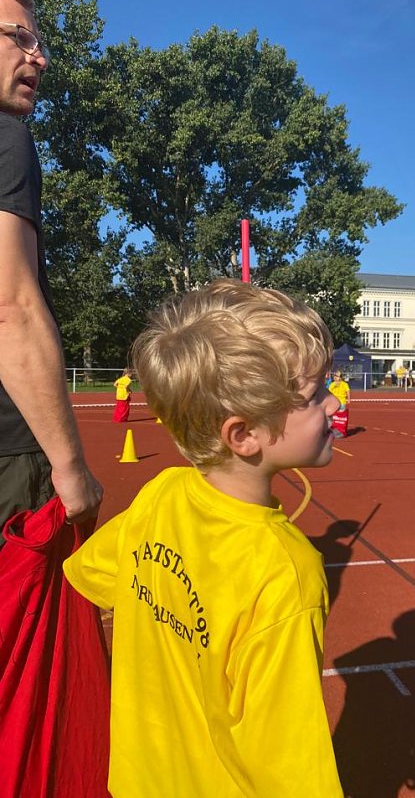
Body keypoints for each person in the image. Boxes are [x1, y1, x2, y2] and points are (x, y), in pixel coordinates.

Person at [63, 279, 344, 798]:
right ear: (243, 435)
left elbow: (94, 573)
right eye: (313, 397)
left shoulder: (163, 493)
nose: (332, 406)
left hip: (139, 777)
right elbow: (286, 759)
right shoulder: (286, 571)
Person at [0, 0, 102, 542]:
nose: (39, 54)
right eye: (20, 36)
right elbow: (9, 307)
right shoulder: (6, 139)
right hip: (10, 457)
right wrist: (70, 468)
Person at [328, 369, 351, 438]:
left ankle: (339, 431)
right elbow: (329, 393)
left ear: (340, 377)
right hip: (334, 403)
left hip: (341, 403)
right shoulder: (332, 384)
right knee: (335, 418)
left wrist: (349, 398)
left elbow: (348, 391)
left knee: (339, 418)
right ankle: (335, 431)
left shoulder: (344, 384)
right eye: (334, 376)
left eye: (336, 376)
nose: (335, 377)